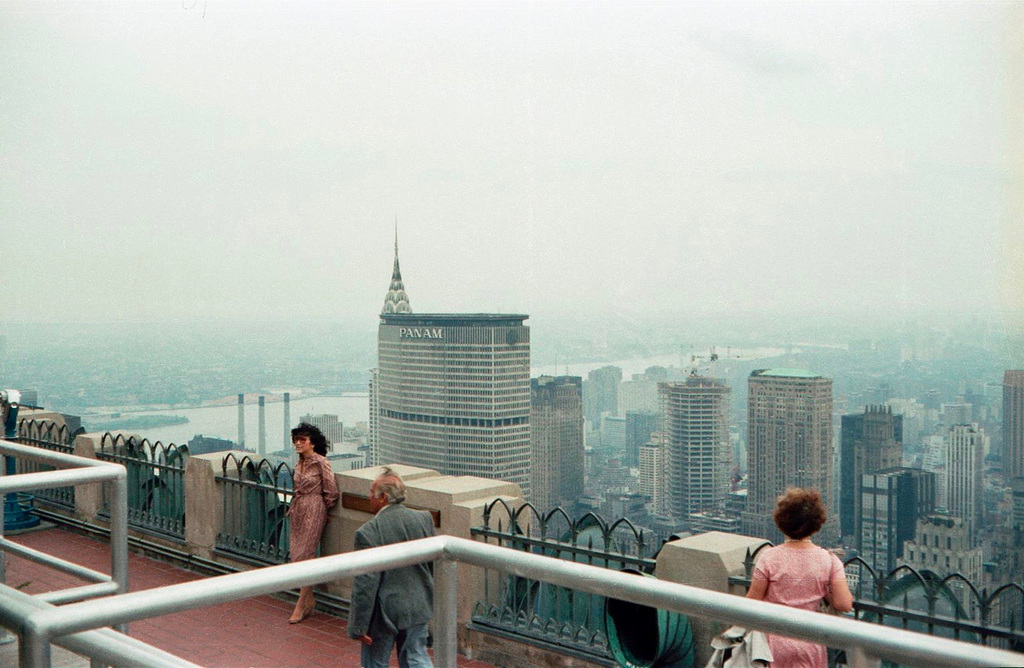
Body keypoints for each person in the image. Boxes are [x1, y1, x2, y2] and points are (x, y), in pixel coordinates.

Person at [745, 487, 853, 668]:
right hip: (810, 640)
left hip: (773, 643)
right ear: (816, 523)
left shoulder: (769, 557)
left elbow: (751, 601)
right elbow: (844, 604)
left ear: (781, 521)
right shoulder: (829, 560)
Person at [348, 466, 436, 668]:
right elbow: (431, 565)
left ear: (383, 498)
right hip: (418, 604)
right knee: (416, 659)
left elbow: (365, 585)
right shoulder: (424, 519)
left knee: (375, 663)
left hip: (384, 613)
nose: (369, 496)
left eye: (372, 492)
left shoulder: (368, 533)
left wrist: (359, 626)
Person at [286, 422, 339, 624]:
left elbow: (331, 490)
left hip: (314, 508)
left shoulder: (321, 462)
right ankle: (309, 599)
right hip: (299, 508)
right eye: (296, 439)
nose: (298, 443)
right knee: (296, 555)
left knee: (306, 555)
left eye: (302, 440)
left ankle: (301, 604)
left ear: (312, 443)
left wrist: (324, 509)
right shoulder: (299, 462)